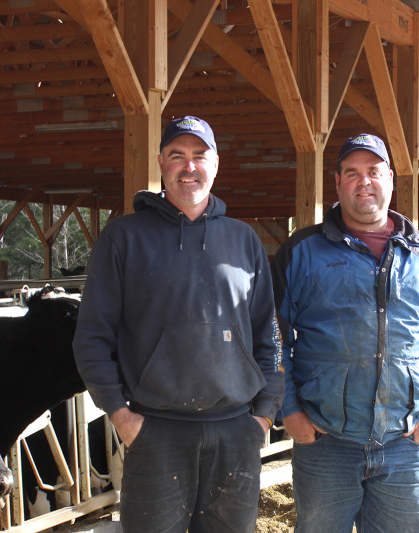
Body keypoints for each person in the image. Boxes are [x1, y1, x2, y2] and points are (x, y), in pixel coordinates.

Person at [73, 116, 284, 533]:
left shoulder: (244, 240)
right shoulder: (124, 237)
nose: (189, 167)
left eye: (199, 156)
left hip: (235, 431)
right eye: (177, 156)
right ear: (161, 164)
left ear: (216, 163)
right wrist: (121, 417)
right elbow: (92, 336)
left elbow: (269, 333)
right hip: (156, 431)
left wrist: (263, 415)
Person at [270, 133, 419, 533]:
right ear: (338, 182)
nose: (365, 182)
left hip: (403, 443)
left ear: (390, 179)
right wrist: (289, 411)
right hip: (326, 443)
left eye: (374, 172)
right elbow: (273, 338)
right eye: (353, 173)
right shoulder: (302, 250)